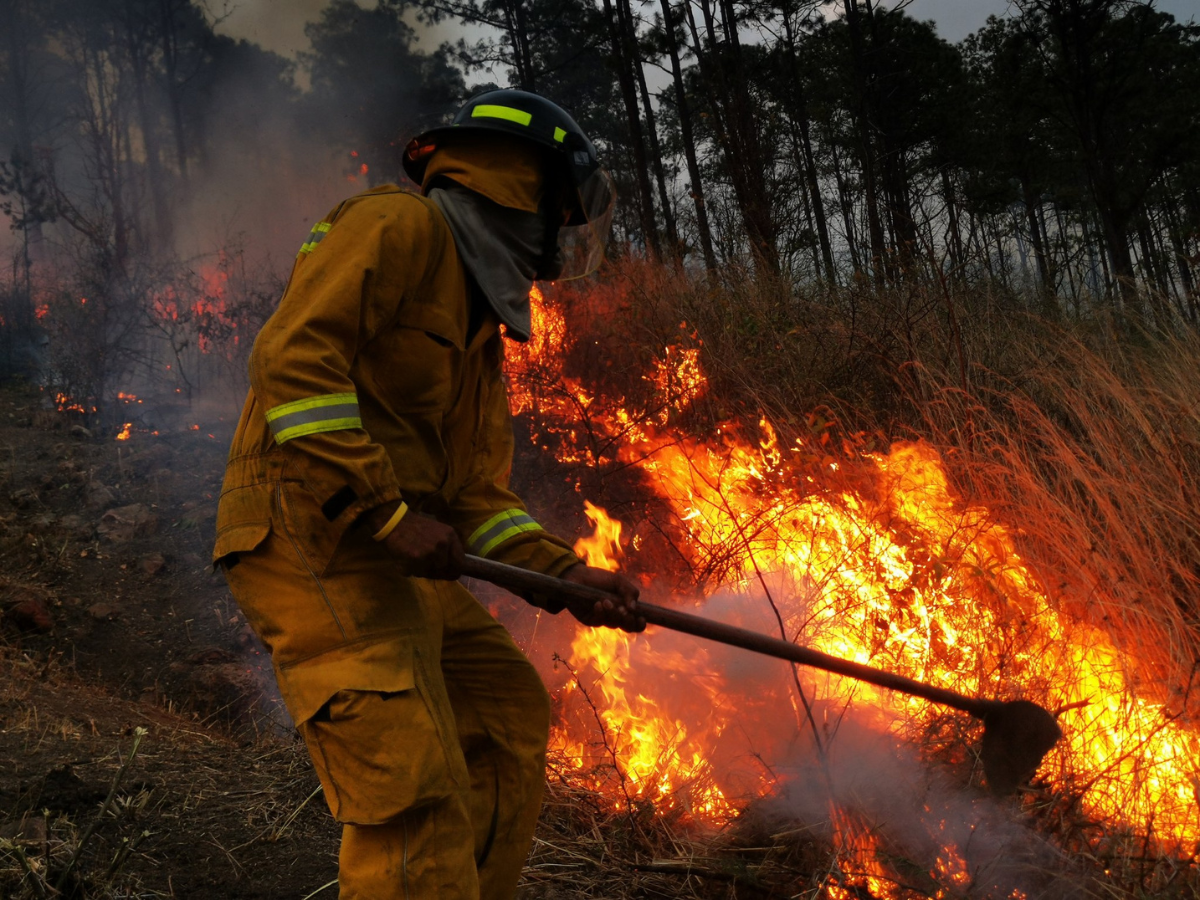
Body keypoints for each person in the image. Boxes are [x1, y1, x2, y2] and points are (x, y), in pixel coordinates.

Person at [212, 89, 644, 899]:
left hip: (390, 547)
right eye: (561, 213)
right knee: (414, 784)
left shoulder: (477, 327)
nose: (563, 241)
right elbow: (290, 364)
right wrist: (384, 510)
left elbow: (477, 495)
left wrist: (565, 577)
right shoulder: (399, 228)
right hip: (312, 530)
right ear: (521, 191)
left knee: (505, 714)